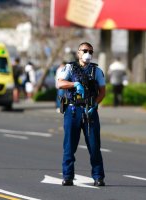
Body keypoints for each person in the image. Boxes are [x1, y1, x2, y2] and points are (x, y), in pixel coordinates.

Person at [56, 42, 106, 187]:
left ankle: (98, 177)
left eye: (90, 51)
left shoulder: (96, 71)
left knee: (94, 146)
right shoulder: (70, 68)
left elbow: (102, 92)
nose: (87, 53)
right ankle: (67, 176)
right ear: (78, 53)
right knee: (69, 146)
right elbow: (60, 83)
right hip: (73, 110)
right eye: (84, 50)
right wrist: (74, 84)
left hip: (90, 111)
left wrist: (95, 104)